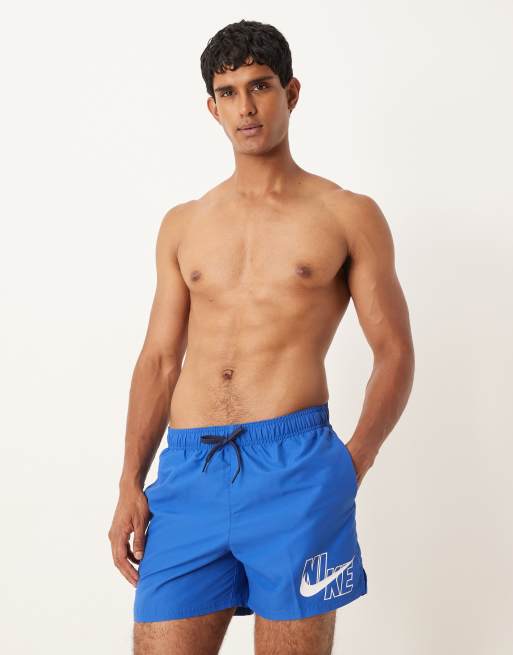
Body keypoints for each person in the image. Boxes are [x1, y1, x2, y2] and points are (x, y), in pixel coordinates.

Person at [108, 18, 415, 655]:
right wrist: (129, 480)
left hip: (297, 470)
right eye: (228, 92)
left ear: (291, 92)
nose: (245, 107)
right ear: (212, 107)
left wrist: (352, 463)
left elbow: (394, 353)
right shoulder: (183, 224)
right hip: (188, 473)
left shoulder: (346, 214)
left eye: (260, 86)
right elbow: (160, 360)